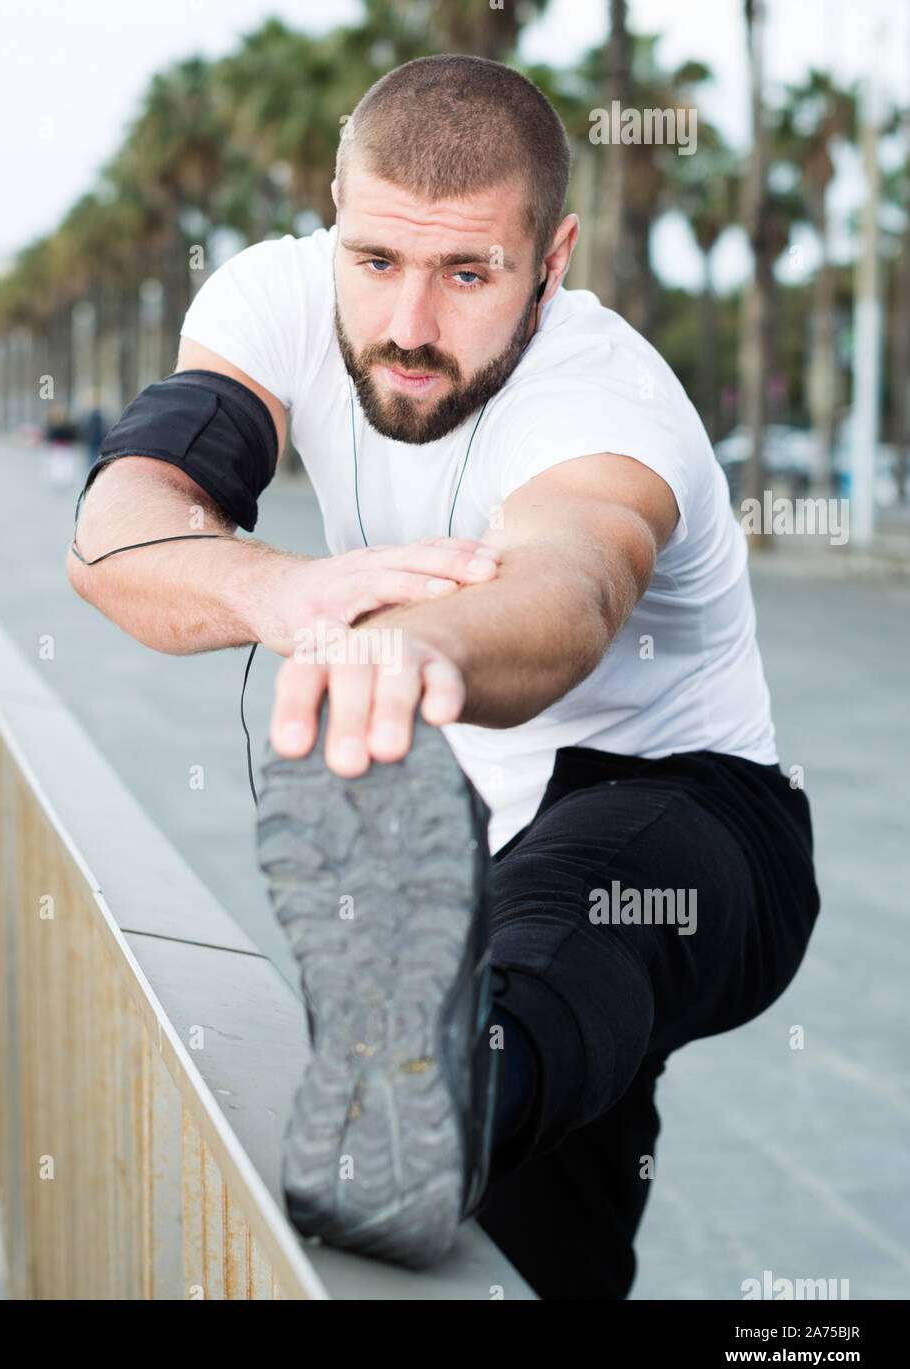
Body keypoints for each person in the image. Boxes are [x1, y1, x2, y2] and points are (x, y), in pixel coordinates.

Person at [66, 55, 820, 1298]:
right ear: (336, 220)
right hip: (475, 837)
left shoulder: (606, 397)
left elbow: (573, 588)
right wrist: (283, 591)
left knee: (579, 919)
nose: (410, 325)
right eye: (376, 260)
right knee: (543, 1245)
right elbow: (120, 525)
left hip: (692, 814)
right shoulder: (276, 297)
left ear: (553, 258)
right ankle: (450, 1100)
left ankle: (441, 1102)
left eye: (468, 273)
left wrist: (420, 645)